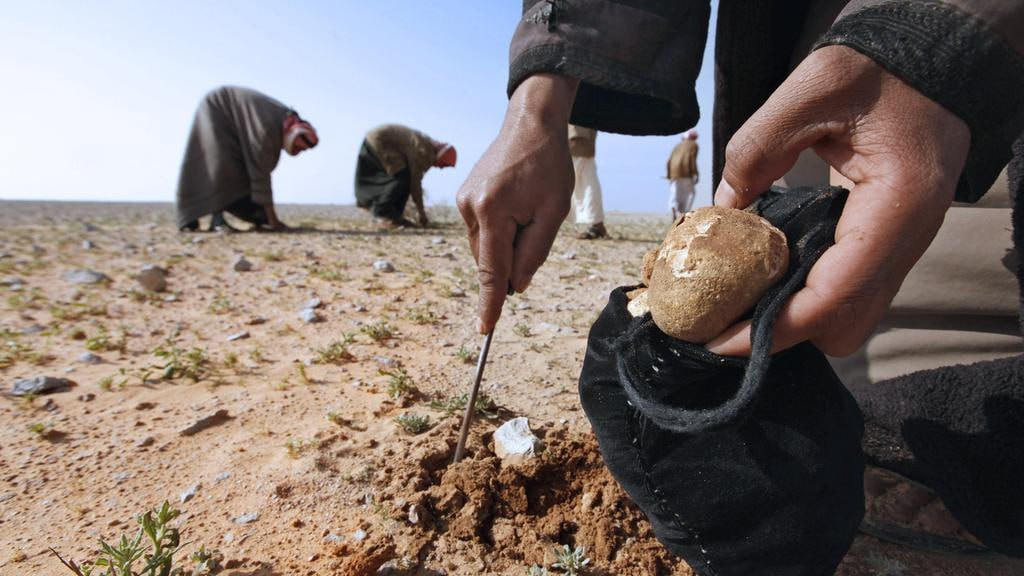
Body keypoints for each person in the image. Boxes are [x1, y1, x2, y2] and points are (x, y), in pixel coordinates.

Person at [456, 0, 1024, 565]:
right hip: (794, 60)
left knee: (947, 433)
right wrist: (538, 104)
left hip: (976, 95)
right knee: (814, 348)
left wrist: (937, 39)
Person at [176, 86, 317, 233]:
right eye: (302, 147)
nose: (301, 151)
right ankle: (217, 220)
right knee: (220, 163)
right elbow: (260, 174)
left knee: (240, 173)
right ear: (296, 133)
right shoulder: (267, 129)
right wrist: (274, 222)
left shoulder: (281, 121)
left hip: (233, 121)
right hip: (219, 109)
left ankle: (259, 217)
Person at [354, 124, 456, 230]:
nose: (441, 168)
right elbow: (415, 183)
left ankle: (393, 214)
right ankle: (384, 213)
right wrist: (422, 214)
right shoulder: (425, 152)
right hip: (380, 140)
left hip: (375, 139)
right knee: (402, 177)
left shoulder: (426, 145)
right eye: (443, 165)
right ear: (440, 156)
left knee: (402, 176)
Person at [568, 124, 609, 239]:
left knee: (587, 183)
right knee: (584, 182)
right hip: (580, 141)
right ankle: (597, 224)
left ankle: (597, 224)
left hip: (578, 140)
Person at [667, 128, 701, 221]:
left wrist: (669, 175)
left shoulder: (677, 146)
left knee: (675, 194)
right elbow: (692, 160)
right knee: (690, 194)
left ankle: (674, 208)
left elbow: (669, 161)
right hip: (686, 173)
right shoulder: (693, 145)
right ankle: (683, 213)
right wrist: (695, 173)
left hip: (674, 174)